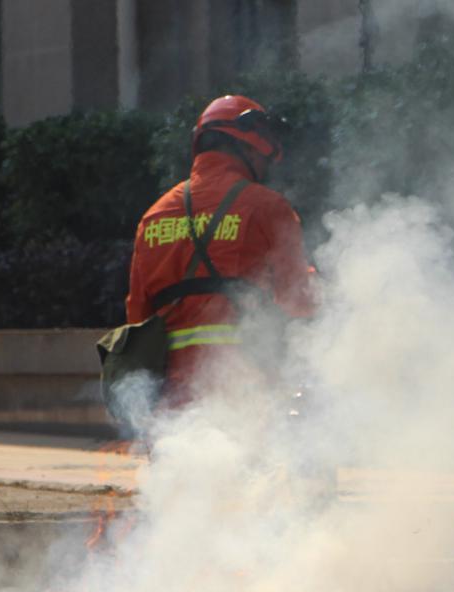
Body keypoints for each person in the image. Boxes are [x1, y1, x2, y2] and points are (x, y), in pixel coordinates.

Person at [126, 94, 319, 407]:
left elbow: (137, 315)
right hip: (244, 394)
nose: (266, 162)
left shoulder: (153, 216)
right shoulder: (267, 208)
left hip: (171, 404)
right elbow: (299, 301)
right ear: (247, 141)